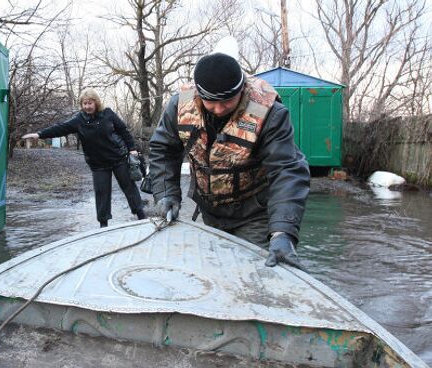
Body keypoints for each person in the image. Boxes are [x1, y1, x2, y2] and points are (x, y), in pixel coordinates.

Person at [148, 52, 310, 270]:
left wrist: (283, 232)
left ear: (242, 90)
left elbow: (287, 170)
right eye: (211, 103)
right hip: (210, 211)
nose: (219, 109)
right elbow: (164, 149)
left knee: (255, 273)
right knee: (217, 269)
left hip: (254, 213)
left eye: (227, 102)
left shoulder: (270, 113)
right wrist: (166, 194)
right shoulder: (179, 105)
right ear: (199, 94)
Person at [22, 88, 147, 228]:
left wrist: (132, 149)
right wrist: (39, 134)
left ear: (96, 102)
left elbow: (123, 130)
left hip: (118, 158)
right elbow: (60, 128)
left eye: (90, 103)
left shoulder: (108, 114)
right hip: (98, 164)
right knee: (101, 193)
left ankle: (141, 216)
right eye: (84, 103)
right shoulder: (78, 120)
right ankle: (103, 224)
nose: (87, 106)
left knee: (129, 187)